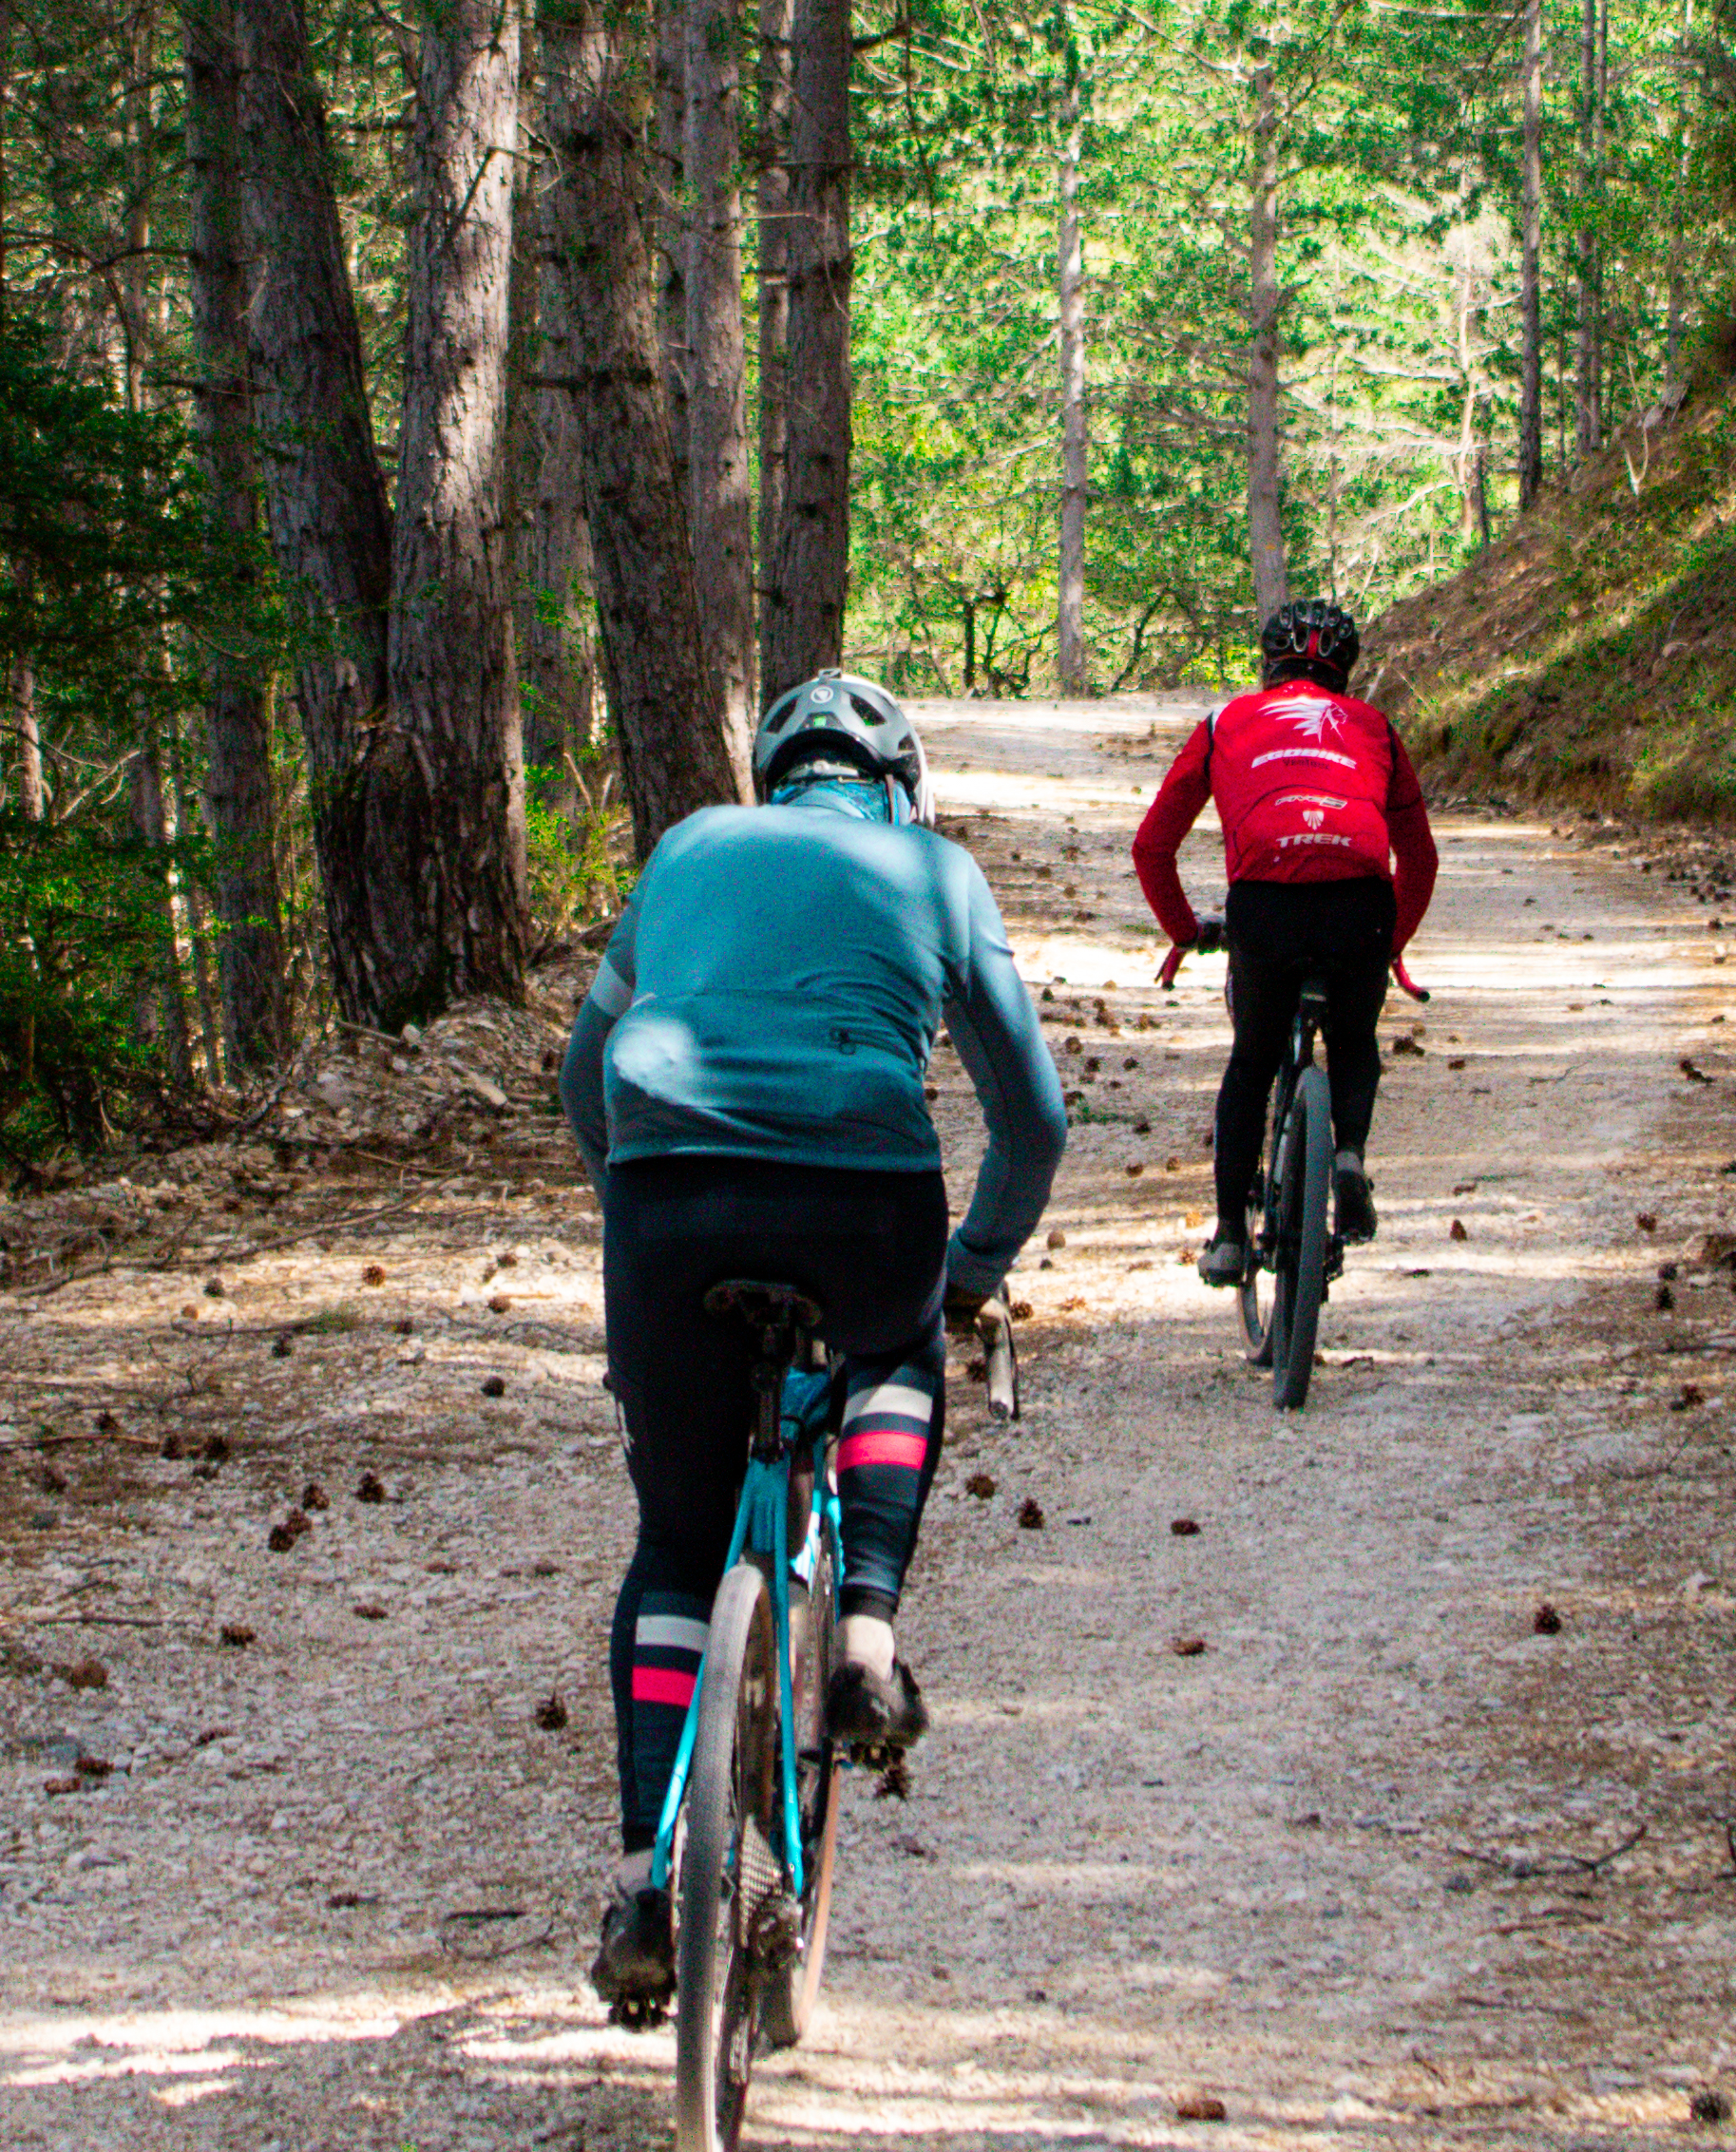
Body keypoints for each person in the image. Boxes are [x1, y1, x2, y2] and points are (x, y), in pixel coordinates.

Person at [556, 668, 1068, 2017]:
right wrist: (971, 1270)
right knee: (893, 1352)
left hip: (668, 1199)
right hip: (863, 1196)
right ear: (898, 783)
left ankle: (651, 1874)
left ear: (772, 779)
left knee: (676, 1543)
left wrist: (647, 1209)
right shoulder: (937, 870)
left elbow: (579, 1074)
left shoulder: (684, 851)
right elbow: (1033, 1123)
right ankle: (865, 1638)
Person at [1132, 596, 1437, 1288]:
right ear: (1348, 673)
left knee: (1253, 1063)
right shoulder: (1377, 729)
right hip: (1360, 903)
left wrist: (1186, 932)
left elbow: (1153, 845)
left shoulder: (1223, 723)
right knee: (1354, 1042)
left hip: (1264, 908)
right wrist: (1392, 945)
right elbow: (1419, 860)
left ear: (1267, 665)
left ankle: (1232, 1236)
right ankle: (1350, 1155)